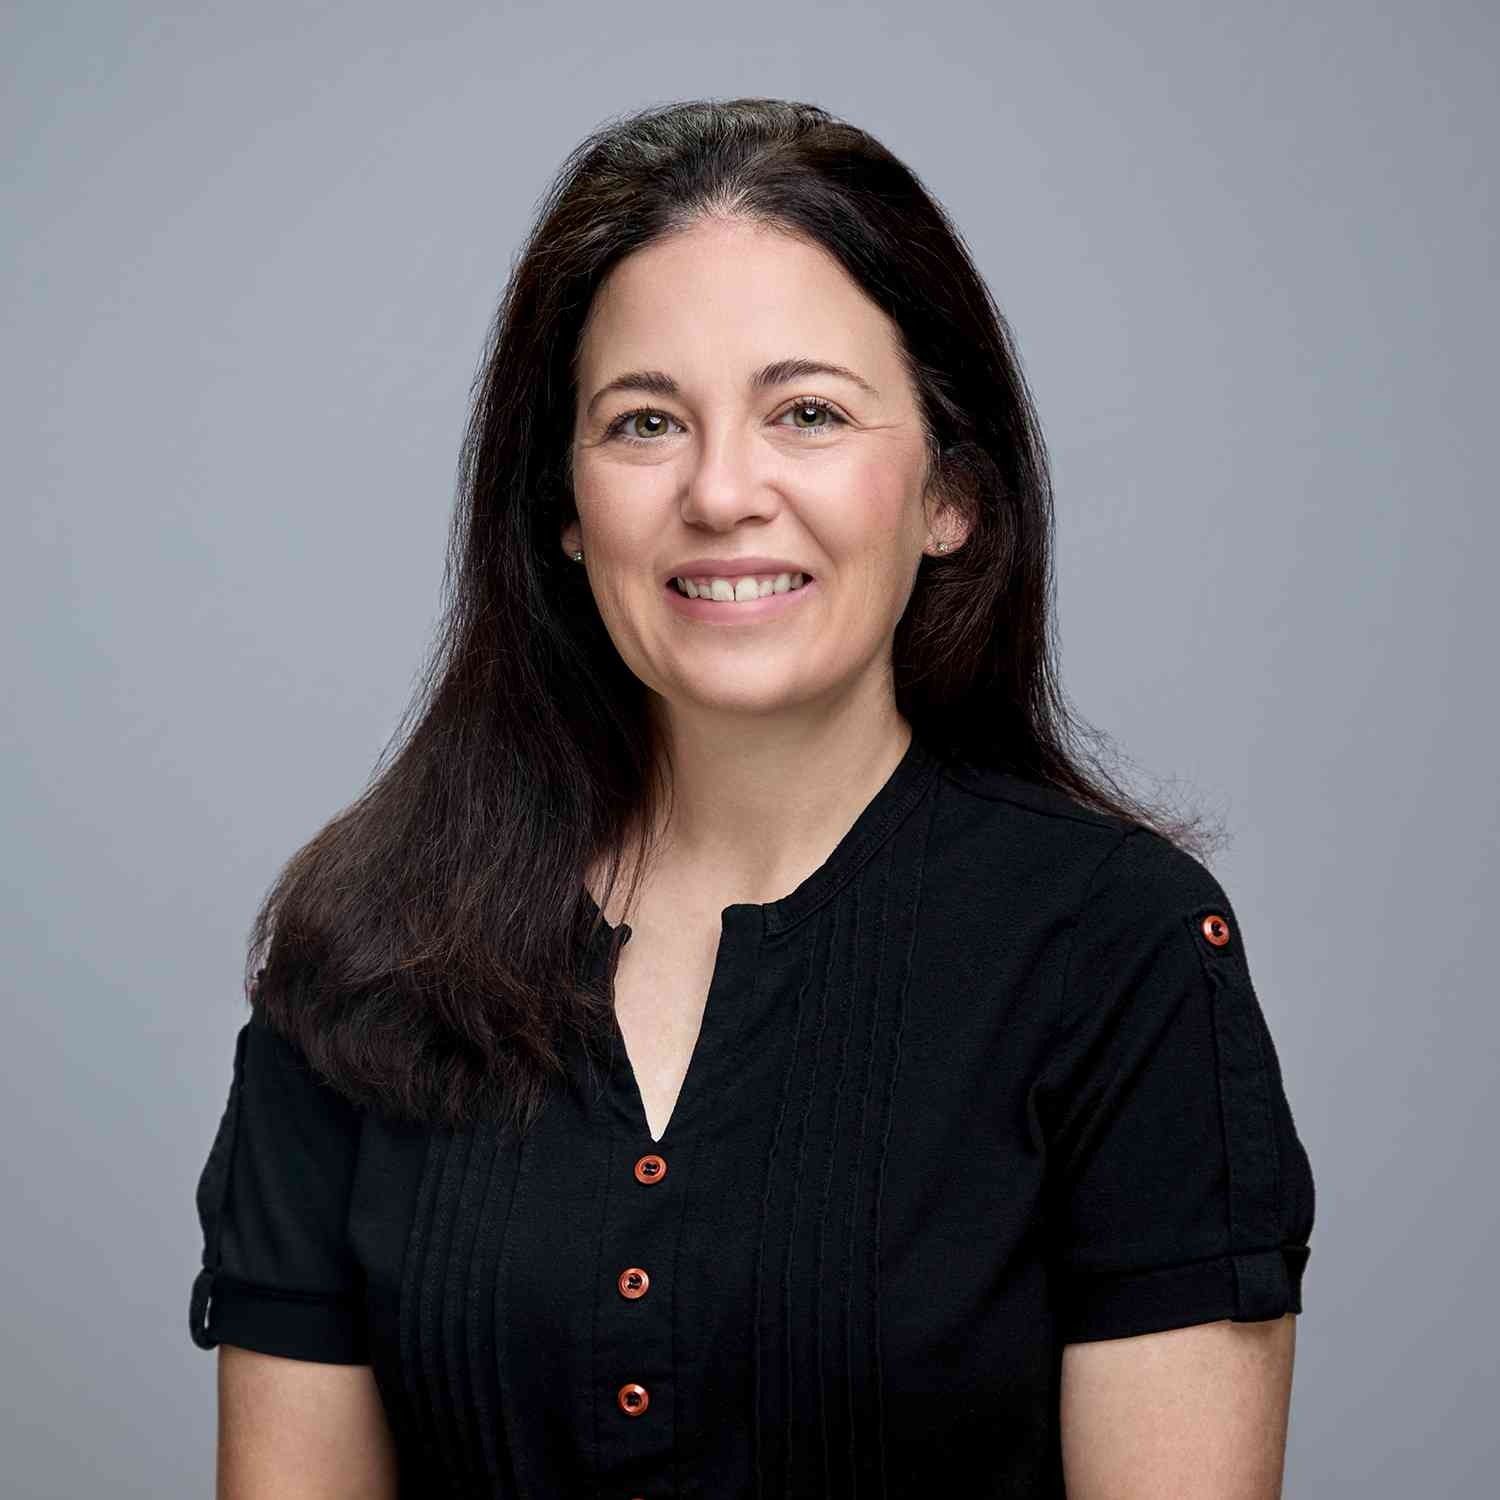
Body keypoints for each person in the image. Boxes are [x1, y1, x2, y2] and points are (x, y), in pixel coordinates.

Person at [187, 97, 1315, 1498]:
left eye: (809, 413)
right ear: (562, 506)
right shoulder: (366, 952)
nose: (723, 492)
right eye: (646, 421)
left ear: (951, 492)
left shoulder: (1120, 951)